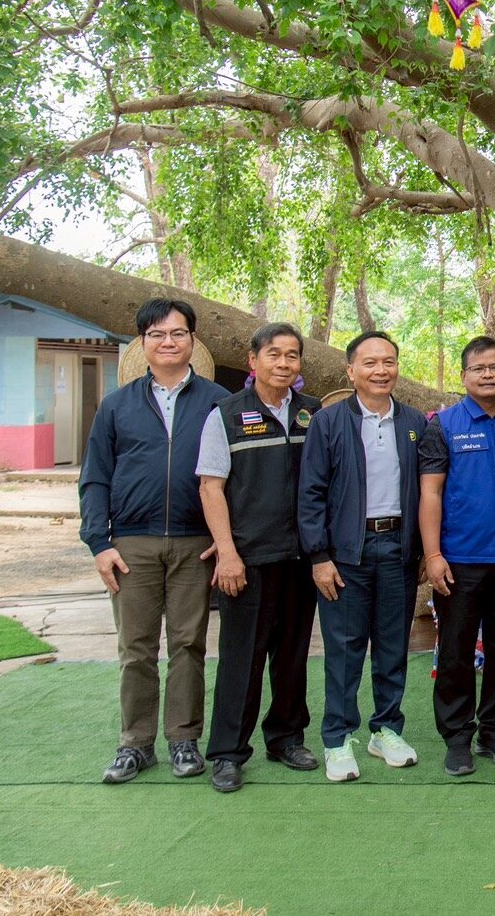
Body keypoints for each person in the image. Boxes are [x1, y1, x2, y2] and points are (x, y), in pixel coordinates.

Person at [81, 298, 229, 784]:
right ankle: (136, 744)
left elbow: (236, 478)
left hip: (195, 543)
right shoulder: (117, 405)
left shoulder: (218, 401)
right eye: (157, 334)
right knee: (136, 648)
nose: (168, 342)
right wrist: (99, 542)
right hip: (131, 545)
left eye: (178, 333)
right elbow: (95, 477)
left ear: (192, 341)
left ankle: (184, 739)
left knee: (189, 644)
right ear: (142, 342)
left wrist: (225, 539)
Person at [197, 322, 323, 793]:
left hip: (301, 559)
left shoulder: (313, 414)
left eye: (292, 355)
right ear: (254, 361)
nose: (284, 363)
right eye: (274, 354)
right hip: (247, 561)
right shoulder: (226, 414)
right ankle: (228, 753)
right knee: (241, 660)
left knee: (292, 657)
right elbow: (211, 488)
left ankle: (286, 738)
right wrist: (227, 554)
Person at [297, 331, 427, 783]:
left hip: (398, 549)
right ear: (350, 371)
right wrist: (319, 556)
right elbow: (310, 494)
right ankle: (337, 738)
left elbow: (428, 491)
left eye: (389, 361)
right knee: (345, 650)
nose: (380, 370)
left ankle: (387, 729)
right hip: (346, 553)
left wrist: (423, 549)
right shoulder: (328, 422)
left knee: (392, 646)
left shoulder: (414, 423)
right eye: (370, 363)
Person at [419, 337, 495, 777]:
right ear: (463, 376)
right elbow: (431, 492)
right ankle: (457, 737)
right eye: (478, 368)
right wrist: (432, 554)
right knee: (456, 652)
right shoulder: (443, 425)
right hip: (459, 561)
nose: (487, 374)